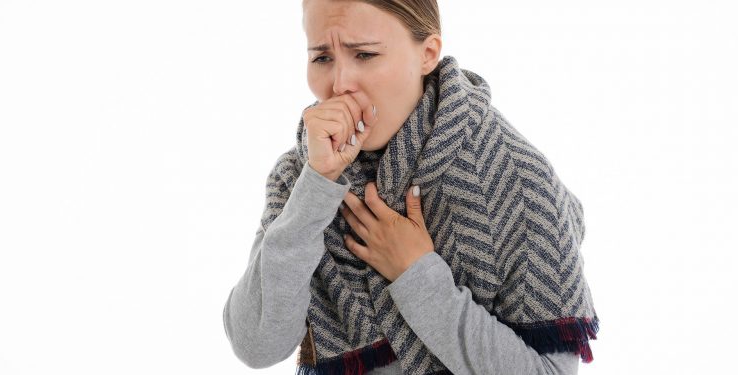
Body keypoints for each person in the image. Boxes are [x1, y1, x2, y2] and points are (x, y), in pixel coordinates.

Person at [223, 0, 599, 374]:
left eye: (365, 55)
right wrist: (317, 187)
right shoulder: (301, 177)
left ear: (428, 54)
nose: (339, 85)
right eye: (322, 58)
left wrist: (416, 274)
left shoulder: (516, 178)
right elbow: (256, 345)